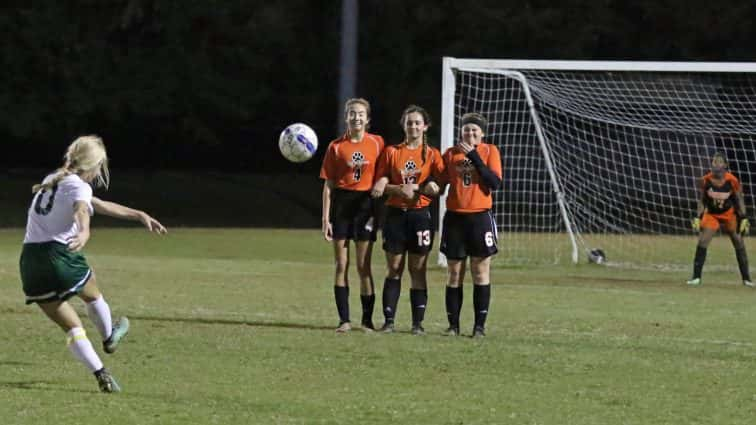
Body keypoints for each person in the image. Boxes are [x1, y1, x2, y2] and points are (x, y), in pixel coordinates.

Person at [19, 135, 167, 393]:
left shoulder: (53, 179)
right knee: (92, 294)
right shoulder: (78, 186)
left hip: (30, 262)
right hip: (58, 254)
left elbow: (95, 204)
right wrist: (85, 231)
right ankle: (109, 336)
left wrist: (138, 215)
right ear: (93, 165)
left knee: (73, 328)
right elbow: (82, 210)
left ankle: (102, 375)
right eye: (100, 166)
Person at [370, 105, 445, 335]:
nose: (413, 126)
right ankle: (389, 321)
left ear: (425, 126)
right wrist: (395, 188)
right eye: (409, 122)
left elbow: (440, 185)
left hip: (421, 217)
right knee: (394, 268)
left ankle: (417, 324)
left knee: (418, 269)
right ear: (404, 125)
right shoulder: (392, 152)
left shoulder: (432, 154)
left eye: (417, 122)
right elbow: (379, 184)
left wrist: (431, 187)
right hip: (395, 215)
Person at [320, 98, 385, 332]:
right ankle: (344, 320)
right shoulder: (335, 147)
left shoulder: (377, 143)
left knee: (363, 265)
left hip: (366, 206)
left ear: (367, 119)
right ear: (346, 118)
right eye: (352, 114)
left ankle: (367, 321)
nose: (356, 117)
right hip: (342, 206)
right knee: (341, 264)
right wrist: (325, 218)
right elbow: (328, 185)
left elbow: (384, 173)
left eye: (360, 114)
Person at [439, 112, 502, 337]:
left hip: (480, 218)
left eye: (474, 129)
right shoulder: (450, 154)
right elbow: (439, 182)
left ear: (482, 133)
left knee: (480, 271)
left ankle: (479, 327)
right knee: (454, 272)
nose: (470, 132)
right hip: (455, 218)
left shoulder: (489, 151)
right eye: (466, 129)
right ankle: (453, 326)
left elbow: (493, 182)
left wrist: (475, 156)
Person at [687, 152, 752, 287]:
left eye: (719, 162)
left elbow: (739, 199)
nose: (716, 164)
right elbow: (702, 200)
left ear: (725, 165)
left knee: (738, 241)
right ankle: (696, 277)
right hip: (712, 214)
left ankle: (747, 279)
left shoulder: (732, 180)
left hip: (729, 214)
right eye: (714, 162)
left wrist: (744, 217)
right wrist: (697, 216)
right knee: (703, 240)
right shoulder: (705, 180)